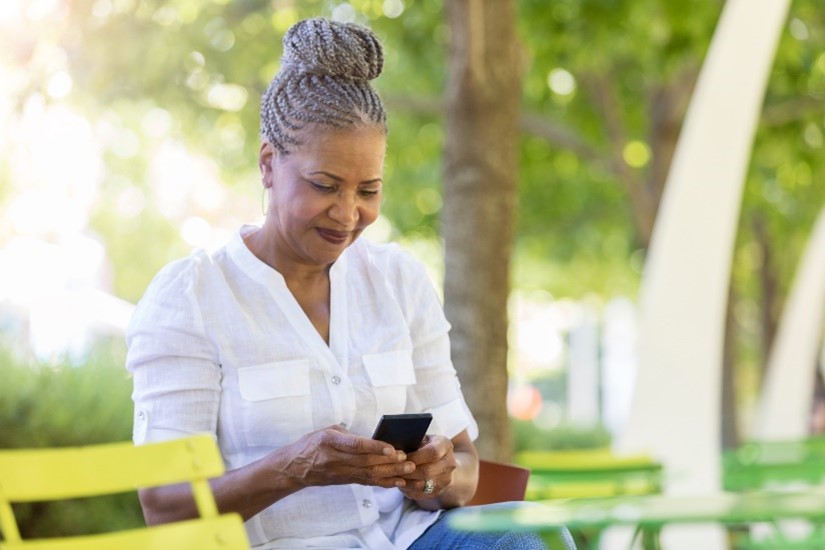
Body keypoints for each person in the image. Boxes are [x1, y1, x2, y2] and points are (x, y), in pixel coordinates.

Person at [126, 17, 574, 550]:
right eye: (325, 185)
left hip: (405, 539)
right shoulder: (192, 297)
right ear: (269, 164)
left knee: (529, 533)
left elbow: (467, 467)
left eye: (369, 190)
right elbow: (164, 506)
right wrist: (297, 467)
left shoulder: (399, 282)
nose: (348, 213)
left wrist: (430, 475)